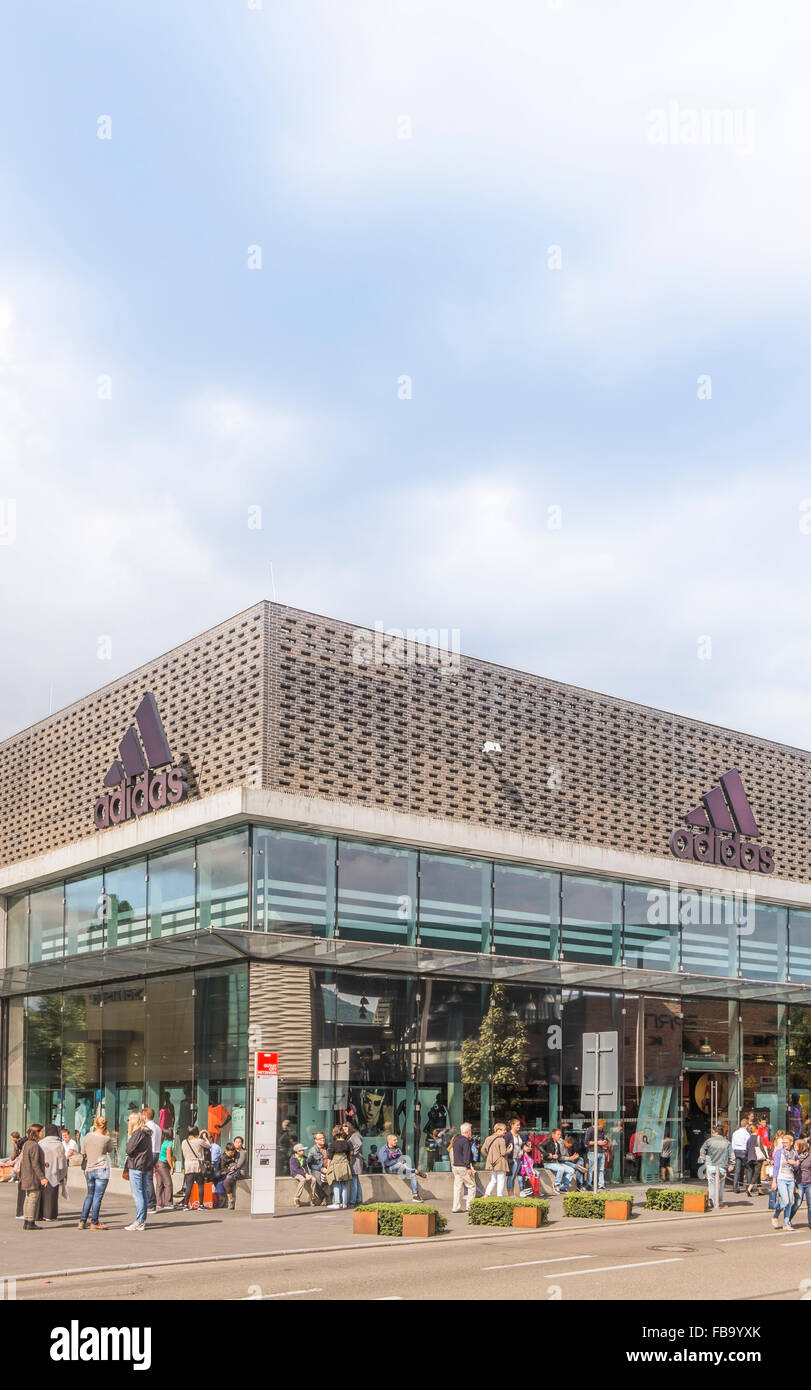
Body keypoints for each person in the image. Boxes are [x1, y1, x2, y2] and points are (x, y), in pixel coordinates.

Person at [78, 1115, 114, 1229]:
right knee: (98, 1196)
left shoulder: (87, 1136)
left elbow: (83, 1151)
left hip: (89, 1168)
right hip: (101, 1169)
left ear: (95, 1124)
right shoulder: (106, 1139)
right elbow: (110, 1150)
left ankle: (82, 1221)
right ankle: (94, 1222)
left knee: (89, 1194)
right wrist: (107, 1135)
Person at [124, 1113, 153, 1231]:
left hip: (136, 1165)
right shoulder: (146, 1133)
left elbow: (129, 1149)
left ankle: (140, 1221)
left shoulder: (138, 1133)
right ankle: (141, 1220)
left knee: (138, 1194)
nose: (129, 1121)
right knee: (142, 1194)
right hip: (144, 1165)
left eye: (130, 1119)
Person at [19, 1125, 48, 1230]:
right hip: (33, 1176)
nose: (43, 1134)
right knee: (33, 1198)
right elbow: (35, 1164)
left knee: (28, 1198)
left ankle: (27, 1221)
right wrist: (42, 1177)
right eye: (41, 1132)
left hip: (26, 1174)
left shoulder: (27, 1144)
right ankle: (31, 1221)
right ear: (37, 1132)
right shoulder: (34, 1145)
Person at [698, 1125, 732, 1208]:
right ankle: (719, 1202)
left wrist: (703, 1159)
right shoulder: (727, 1142)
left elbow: (702, 1150)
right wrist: (732, 1164)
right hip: (722, 1167)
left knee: (711, 1184)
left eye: (713, 1132)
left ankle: (711, 1200)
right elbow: (731, 1154)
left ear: (716, 1133)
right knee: (720, 1185)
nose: (712, 1134)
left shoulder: (709, 1141)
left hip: (711, 1166)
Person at [39, 1124, 68, 1221]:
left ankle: (40, 1214)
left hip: (42, 1171)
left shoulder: (41, 1143)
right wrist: (62, 1172)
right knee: (52, 1194)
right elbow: (62, 1160)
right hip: (54, 1171)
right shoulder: (58, 1144)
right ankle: (50, 1215)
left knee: (41, 1194)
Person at [772, 1132, 799, 1231]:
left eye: (786, 1142)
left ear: (791, 1142)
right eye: (783, 1142)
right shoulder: (779, 1152)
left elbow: (796, 1168)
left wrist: (795, 1163)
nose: (784, 1144)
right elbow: (776, 1167)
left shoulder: (794, 1153)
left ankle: (786, 1223)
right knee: (785, 1200)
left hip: (791, 1179)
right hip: (781, 1178)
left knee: (790, 1202)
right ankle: (776, 1215)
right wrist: (774, 1181)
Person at [380, 1133, 420, 1198]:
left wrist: (404, 1162)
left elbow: (402, 1157)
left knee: (412, 1175)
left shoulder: (398, 1148)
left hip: (401, 1168)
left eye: (396, 1140)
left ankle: (415, 1195)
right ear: (389, 1140)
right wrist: (398, 1162)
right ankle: (414, 1170)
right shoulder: (384, 1150)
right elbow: (386, 1163)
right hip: (390, 1169)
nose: (396, 1141)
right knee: (399, 1165)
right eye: (394, 1140)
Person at [180, 1126, 210, 1211]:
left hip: (188, 1166)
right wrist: (204, 1137)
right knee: (200, 1185)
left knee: (189, 1186)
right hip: (198, 1166)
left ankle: (186, 1204)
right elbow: (208, 1145)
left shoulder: (184, 1142)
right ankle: (200, 1205)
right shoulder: (199, 1141)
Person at [450, 1123, 478, 1212]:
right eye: (470, 1131)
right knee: (471, 1186)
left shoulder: (456, 1139)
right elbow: (466, 1155)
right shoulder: (466, 1141)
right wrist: (468, 1167)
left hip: (456, 1166)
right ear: (468, 1131)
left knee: (457, 1187)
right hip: (463, 1167)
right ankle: (469, 1206)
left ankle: (456, 1207)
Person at [326, 1125, 353, 1209]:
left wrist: (328, 1167)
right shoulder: (347, 1143)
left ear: (335, 1133)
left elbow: (330, 1156)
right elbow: (350, 1154)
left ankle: (337, 1203)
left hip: (335, 1164)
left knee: (336, 1183)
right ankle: (344, 1203)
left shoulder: (333, 1144)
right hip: (345, 1164)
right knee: (344, 1184)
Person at [141, 1106, 162, 1215]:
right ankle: (150, 1202)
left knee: (147, 1179)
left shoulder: (146, 1127)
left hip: (149, 1152)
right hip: (156, 1152)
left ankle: (151, 1204)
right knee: (148, 1177)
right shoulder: (158, 1127)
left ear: (144, 1116)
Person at [541, 1128, 576, 1193]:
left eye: (560, 1135)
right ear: (553, 1134)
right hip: (548, 1163)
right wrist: (548, 1155)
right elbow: (540, 1146)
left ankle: (563, 1187)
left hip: (556, 1162)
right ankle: (556, 1185)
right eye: (558, 1134)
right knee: (561, 1168)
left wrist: (557, 1156)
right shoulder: (549, 1141)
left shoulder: (558, 1144)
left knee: (571, 1170)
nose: (559, 1136)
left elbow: (559, 1155)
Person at [481, 1122, 510, 1197]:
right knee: (501, 1180)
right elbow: (503, 1153)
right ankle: (499, 1197)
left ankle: (486, 1195)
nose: (505, 1131)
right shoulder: (501, 1140)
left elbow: (482, 1150)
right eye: (504, 1130)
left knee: (493, 1180)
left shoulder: (488, 1138)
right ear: (498, 1130)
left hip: (491, 1163)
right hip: (500, 1163)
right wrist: (509, 1150)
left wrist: (489, 1157)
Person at [222, 1136, 248, 1210]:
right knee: (223, 1179)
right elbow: (229, 1163)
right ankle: (228, 1200)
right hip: (234, 1172)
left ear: (242, 1143)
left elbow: (238, 1165)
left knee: (226, 1181)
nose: (237, 1143)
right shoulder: (234, 1152)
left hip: (240, 1173)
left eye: (239, 1142)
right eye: (236, 1142)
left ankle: (231, 1201)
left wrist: (232, 1166)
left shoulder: (243, 1153)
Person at [584, 1118, 611, 1190]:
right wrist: (597, 1142)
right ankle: (589, 1184)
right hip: (593, 1152)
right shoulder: (590, 1130)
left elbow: (603, 1138)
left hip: (601, 1151)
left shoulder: (601, 1131)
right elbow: (586, 1142)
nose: (601, 1128)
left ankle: (601, 1185)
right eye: (600, 1127)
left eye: (602, 1127)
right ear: (597, 1124)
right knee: (591, 1169)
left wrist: (604, 1142)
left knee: (601, 1169)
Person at [343, 1121, 364, 1207]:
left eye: (345, 1129)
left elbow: (359, 1144)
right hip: (357, 1159)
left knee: (354, 1180)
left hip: (355, 1160)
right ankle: (359, 1200)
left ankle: (352, 1201)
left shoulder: (354, 1135)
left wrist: (352, 1153)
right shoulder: (355, 1134)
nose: (344, 1131)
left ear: (349, 1128)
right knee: (356, 1180)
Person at [792, 1138, 811, 1228]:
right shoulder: (794, 1156)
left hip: (809, 1182)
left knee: (810, 1204)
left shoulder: (809, 1156)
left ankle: (810, 1223)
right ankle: (787, 1220)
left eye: (796, 1145)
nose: (794, 1147)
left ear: (801, 1146)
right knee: (797, 1203)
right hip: (799, 1182)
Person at [307, 1131, 332, 1202]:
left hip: (330, 1167)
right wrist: (321, 1168)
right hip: (318, 1169)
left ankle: (334, 1197)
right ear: (316, 1140)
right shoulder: (312, 1151)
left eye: (323, 1137)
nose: (323, 1139)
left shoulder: (329, 1147)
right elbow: (310, 1165)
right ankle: (323, 1197)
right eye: (320, 1138)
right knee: (317, 1177)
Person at [154, 1128, 175, 1211]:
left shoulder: (161, 1143)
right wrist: (172, 1166)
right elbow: (168, 1156)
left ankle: (159, 1202)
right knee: (168, 1183)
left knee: (159, 1184)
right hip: (163, 1164)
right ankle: (168, 1203)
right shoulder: (169, 1143)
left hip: (157, 1164)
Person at [505, 1118, 526, 1196]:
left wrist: (522, 1151)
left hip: (518, 1159)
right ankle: (510, 1193)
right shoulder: (508, 1135)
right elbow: (504, 1146)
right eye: (517, 1125)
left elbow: (522, 1146)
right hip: (511, 1159)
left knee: (514, 1176)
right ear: (512, 1125)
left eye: (519, 1125)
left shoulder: (519, 1135)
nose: (519, 1126)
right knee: (511, 1176)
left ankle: (512, 1192)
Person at [731, 1116, 751, 1193]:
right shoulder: (746, 1134)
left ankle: (735, 1188)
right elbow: (747, 1144)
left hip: (736, 1151)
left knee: (737, 1170)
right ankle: (748, 1187)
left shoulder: (735, 1133)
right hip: (743, 1151)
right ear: (746, 1125)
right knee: (749, 1169)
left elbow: (732, 1144)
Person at [744, 1124, 763, 1196]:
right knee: (756, 1174)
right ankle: (749, 1189)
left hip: (750, 1158)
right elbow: (761, 1148)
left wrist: (747, 1157)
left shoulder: (749, 1139)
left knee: (756, 1174)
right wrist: (767, 1157)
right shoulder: (758, 1138)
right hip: (757, 1158)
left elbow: (747, 1150)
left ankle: (759, 1189)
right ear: (757, 1130)